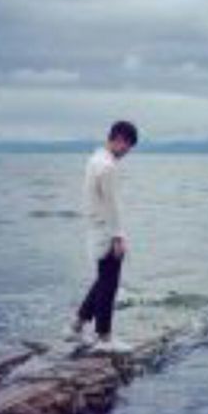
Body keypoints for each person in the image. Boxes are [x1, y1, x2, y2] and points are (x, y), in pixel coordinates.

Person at [67, 120, 139, 352]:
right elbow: (112, 205)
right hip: (107, 229)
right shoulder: (108, 167)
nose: (127, 152)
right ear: (118, 139)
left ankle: (76, 325)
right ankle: (104, 337)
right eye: (127, 146)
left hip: (96, 227)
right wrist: (118, 237)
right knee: (109, 283)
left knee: (103, 279)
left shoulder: (95, 159)